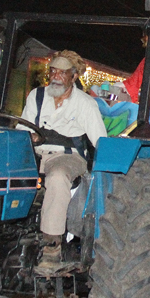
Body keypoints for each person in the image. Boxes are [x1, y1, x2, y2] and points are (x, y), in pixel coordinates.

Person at [21, 51, 107, 275]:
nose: (56, 76)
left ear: (74, 76)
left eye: (63, 73)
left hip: (67, 156)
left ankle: (52, 246)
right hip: (35, 153)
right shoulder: (37, 96)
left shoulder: (85, 104)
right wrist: (29, 136)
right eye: (53, 71)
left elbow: (100, 140)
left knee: (58, 176)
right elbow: (23, 127)